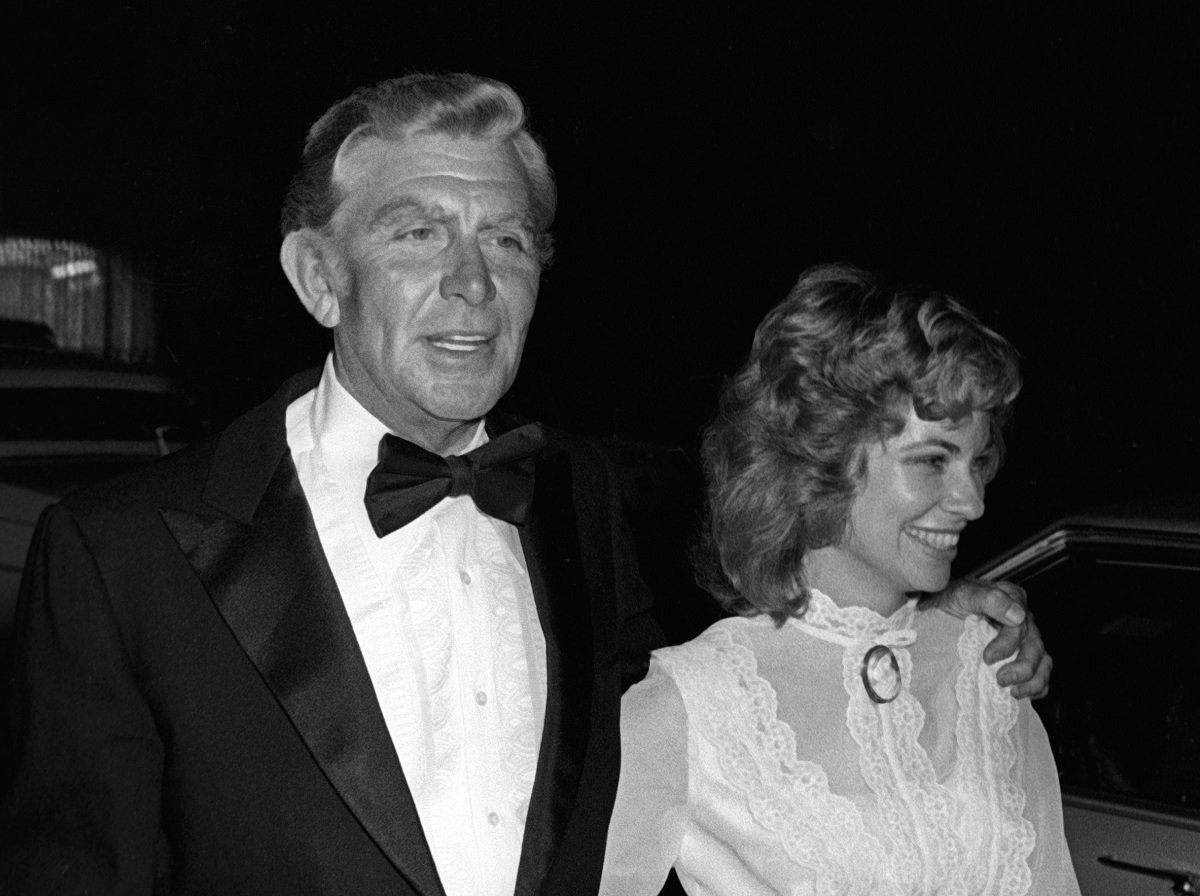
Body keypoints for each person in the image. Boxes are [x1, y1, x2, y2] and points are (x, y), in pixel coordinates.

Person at [0, 76, 1048, 896]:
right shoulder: (118, 554)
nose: (472, 281)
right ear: (320, 277)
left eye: (506, 239)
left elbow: (769, 621)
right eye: (417, 232)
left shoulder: (590, 496)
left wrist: (927, 623)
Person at [600, 264, 1079, 895]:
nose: (973, 501)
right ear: (822, 457)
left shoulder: (988, 663)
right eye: (932, 461)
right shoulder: (691, 702)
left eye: (976, 461)